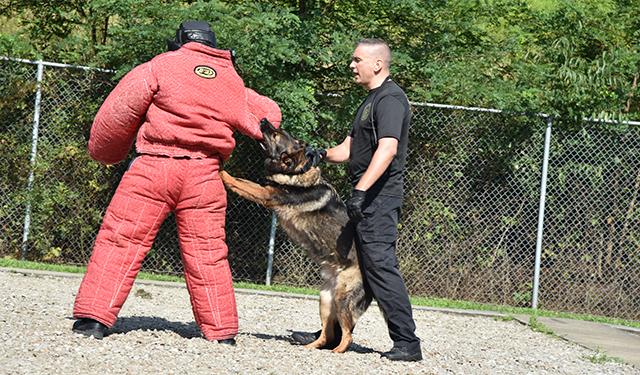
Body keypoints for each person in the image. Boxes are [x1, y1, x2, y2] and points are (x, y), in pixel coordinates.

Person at [71, 20, 282, 346]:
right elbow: (267, 114)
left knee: (121, 240)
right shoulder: (230, 79)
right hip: (205, 175)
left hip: (152, 169)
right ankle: (221, 333)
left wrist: (106, 153)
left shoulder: (159, 66)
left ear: (179, 41)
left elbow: (115, 116)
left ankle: (93, 320)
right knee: (209, 253)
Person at [301, 38, 422, 361]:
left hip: (378, 199)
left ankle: (407, 343)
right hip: (364, 198)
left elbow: (388, 149)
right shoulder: (370, 100)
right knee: (346, 265)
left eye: (357, 60)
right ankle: (332, 335)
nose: (351, 66)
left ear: (378, 64)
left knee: (380, 267)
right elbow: (349, 148)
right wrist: (321, 154)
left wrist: (361, 191)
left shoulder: (391, 100)